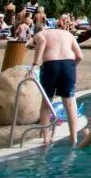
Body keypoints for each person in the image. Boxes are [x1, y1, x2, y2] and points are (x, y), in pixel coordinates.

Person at [31, 14, 83, 146]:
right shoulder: (68, 35)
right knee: (70, 104)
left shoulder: (40, 34)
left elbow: (42, 43)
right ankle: (74, 139)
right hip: (68, 65)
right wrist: (72, 67)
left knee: (46, 103)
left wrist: (35, 64)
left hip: (51, 66)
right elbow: (80, 56)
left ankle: (46, 138)